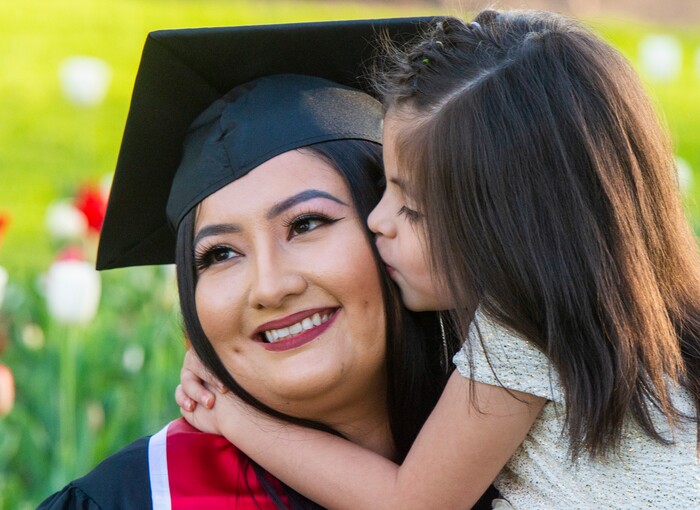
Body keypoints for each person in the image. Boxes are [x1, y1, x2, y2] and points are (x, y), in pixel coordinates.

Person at [178, 9, 700, 509]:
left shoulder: (521, 333)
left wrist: (231, 415)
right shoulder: (636, 312)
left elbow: (410, 503)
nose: (377, 220)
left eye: (411, 209)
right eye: (220, 254)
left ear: (516, 231)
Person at [38, 19, 497, 509]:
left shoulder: (537, 434)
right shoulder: (135, 497)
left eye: (306, 224)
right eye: (220, 254)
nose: (270, 287)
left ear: (396, 224)